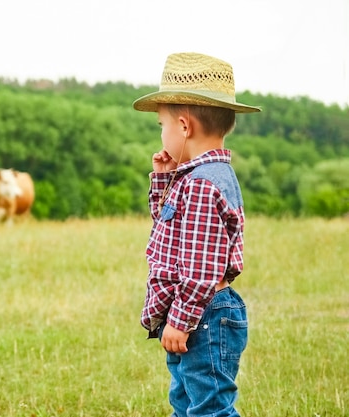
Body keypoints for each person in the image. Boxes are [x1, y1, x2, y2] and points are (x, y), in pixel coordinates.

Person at [133, 52, 261, 417]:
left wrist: (181, 318)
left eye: (162, 125)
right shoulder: (196, 178)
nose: (161, 133)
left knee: (209, 408)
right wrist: (164, 178)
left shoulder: (203, 185)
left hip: (203, 315)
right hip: (199, 314)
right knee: (187, 401)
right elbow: (167, 225)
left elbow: (201, 266)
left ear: (184, 126)